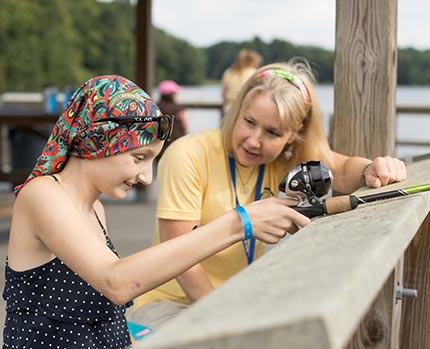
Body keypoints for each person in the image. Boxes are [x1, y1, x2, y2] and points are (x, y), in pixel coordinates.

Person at [0, 74, 311, 349]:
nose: (147, 177)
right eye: (139, 158)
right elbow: (117, 281)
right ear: (102, 140)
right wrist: (237, 224)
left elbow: (100, 317)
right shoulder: (43, 196)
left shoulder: (94, 210)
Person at [128, 59, 407, 331]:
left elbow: (344, 168)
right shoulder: (187, 154)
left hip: (237, 303)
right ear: (237, 109)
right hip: (169, 303)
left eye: (272, 132)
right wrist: (224, 321)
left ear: (294, 133)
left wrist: (374, 168)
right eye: (249, 121)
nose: (253, 140)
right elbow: (179, 253)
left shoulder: (288, 159)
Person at [221, 49, 262, 114]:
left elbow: (224, 94)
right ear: (252, 62)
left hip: (228, 109)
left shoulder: (229, 72)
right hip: (246, 110)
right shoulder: (254, 73)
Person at [156, 80, 188, 156]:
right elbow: (184, 126)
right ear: (172, 94)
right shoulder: (178, 109)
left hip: (159, 145)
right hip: (175, 144)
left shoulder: (156, 108)